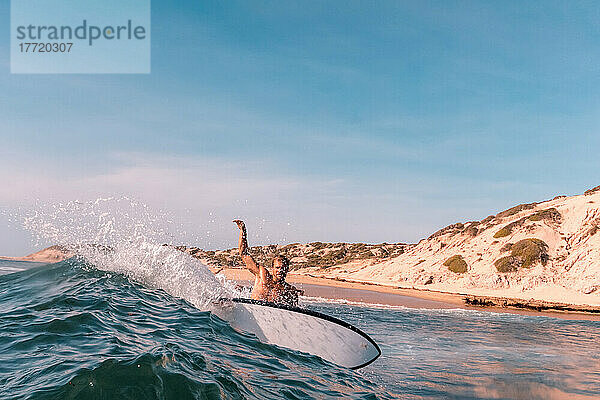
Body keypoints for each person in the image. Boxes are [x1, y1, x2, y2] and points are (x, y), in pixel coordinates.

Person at [233, 219, 303, 307]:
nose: (280, 270)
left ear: (287, 270)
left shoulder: (290, 291)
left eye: (283, 268)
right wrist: (243, 231)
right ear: (272, 269)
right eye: (277, 268)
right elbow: (244, 254)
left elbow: (294, 313)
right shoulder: (262, 275)